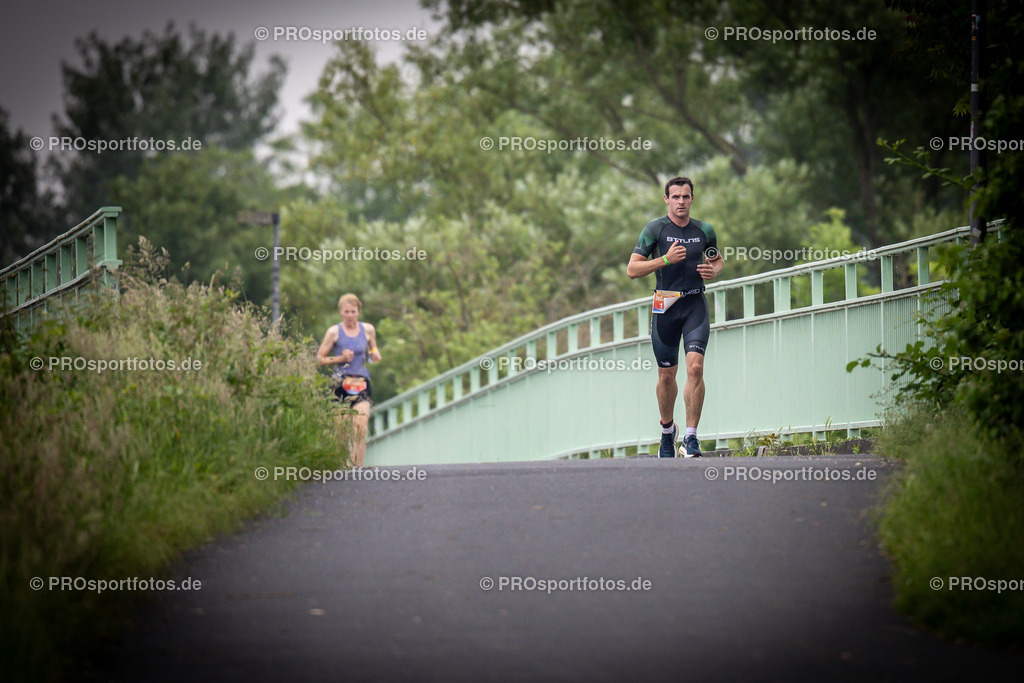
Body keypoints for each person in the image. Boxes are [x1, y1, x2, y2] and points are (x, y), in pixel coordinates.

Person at [627, 176, 723, 458]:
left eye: (686, 196)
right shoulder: (654, 229)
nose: (681, 202)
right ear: (666, 199)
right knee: (666, 376)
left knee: (695, 368)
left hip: (694, 303)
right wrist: (665, 259)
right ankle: (667, 432)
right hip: (665, 303)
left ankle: (691, 438)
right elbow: (632, 269)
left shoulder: (704, 230)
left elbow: (717, 259)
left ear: (692, 198)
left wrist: (714, 270)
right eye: (676, 197)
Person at [317, 293, 381, 467]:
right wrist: (341, 358)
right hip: (341, 383)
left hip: (361, 381)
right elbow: (320, 359)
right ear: (341, 312)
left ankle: (358, 468)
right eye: (346, 312)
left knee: (361, 425)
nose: (350, 315)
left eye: (353, 311)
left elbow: (373, 348)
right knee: (341, 431)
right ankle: (342, 467)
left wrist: (375, 354)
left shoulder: (368, 329)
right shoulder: (334, 332)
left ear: (359, 311)